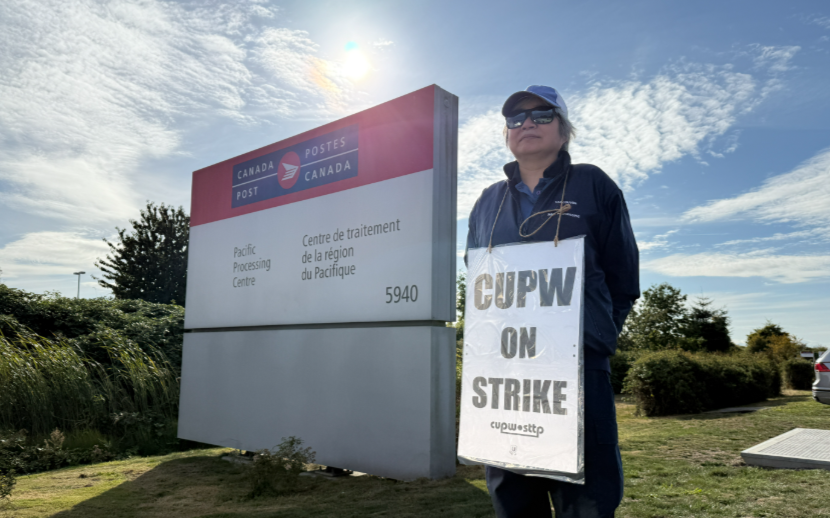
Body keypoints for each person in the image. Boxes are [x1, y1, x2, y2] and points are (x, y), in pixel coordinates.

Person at [465, 85, 640, 518]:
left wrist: (591, 337)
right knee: (512, 502)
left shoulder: (593, 184)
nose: (527, 124)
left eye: (542, 115)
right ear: (507, 134)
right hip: (505, 377)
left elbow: (623, 278)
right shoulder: (488, 201)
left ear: (564, 130)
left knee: (586, 503)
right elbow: (479, 281)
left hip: (577, 375)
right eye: (515, 118)